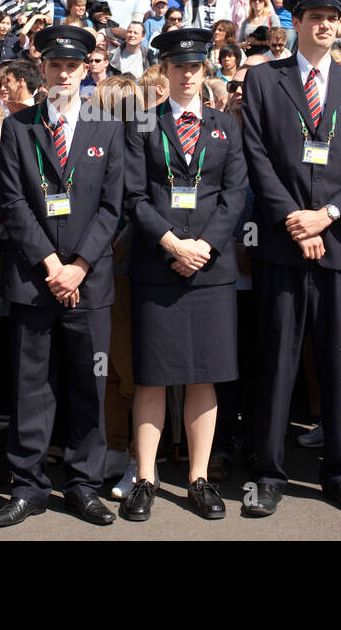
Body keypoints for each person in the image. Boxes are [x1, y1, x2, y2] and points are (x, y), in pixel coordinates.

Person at [239, 0, 341, 517]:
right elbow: (256, 154)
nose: (324, 24)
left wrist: (325, 217)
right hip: (282, 243)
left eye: (333, 15)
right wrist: (292, 220)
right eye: (314, 15)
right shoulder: (263, 80)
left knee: (340, 362)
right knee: (277, 359)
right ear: (295, 23)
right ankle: (269, 472)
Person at [0, 25, 125, 529]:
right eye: (55, 65)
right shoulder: (20, 126)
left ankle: (83, 485)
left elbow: (114, 208)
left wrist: (79, 266)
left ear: (88, 68)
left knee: (88, 384)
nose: (64, 73)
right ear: (41, 70)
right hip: (35, 278)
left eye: (73, 65)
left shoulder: (109, 126)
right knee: (31, 386)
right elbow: (14, 203)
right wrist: (51, 264)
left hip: (89, 279)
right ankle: (27, 486)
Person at [119, 28, 248, 522]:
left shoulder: (224, 126)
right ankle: (146, 480)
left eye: (195, 66)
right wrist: (172, 242)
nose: (188, 73)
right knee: (152, 378)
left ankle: (198, 478)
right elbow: (134, 195)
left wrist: (205, 246)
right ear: (165, 71)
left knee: (203, 377)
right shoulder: (143, 125)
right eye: (178, 66)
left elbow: (234, 194)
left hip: (210, 270)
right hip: (159, 264)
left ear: (205, 70)